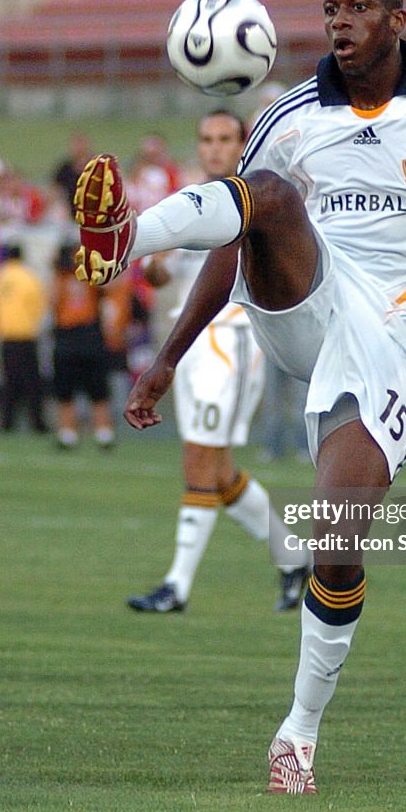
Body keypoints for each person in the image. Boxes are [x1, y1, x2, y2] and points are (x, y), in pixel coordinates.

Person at [73, 0, 406, 793]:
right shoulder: (293, 115)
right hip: (311, 305)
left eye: (359, 7)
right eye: (331, 8)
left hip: (395, 344)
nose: (340, 21)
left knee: (335, 545)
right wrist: (168, 356)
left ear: (397, 20)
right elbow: (239, 229)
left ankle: (297, 735)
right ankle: (124, 236)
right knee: (265, 191)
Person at [125, 110, 311, 614]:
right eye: (206, 138)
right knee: (220, 471)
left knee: (199, 461)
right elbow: (163, 277)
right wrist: (151, 264)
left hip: (231, 339)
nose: (214, 148)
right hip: (188, 342)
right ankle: (295, 557)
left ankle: (177, 586)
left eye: (225, 138)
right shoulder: (191, 200)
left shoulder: (262, 199)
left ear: (244, 144)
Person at [51, 243, 116, 449]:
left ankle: (103, 432)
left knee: (97, 389)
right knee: (66, 390)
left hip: (87, 334)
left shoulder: (89, 275)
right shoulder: (60, 277)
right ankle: (68, 432)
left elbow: (108, 288)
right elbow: (52, 301)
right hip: (68, 335)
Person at [0, 242, 48, 433]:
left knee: (9, 382)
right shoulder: (29, 277)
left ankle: (6, 422)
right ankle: (37, 423)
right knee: (32, 383)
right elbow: (39, 305)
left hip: (6, 336)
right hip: (26, 335)